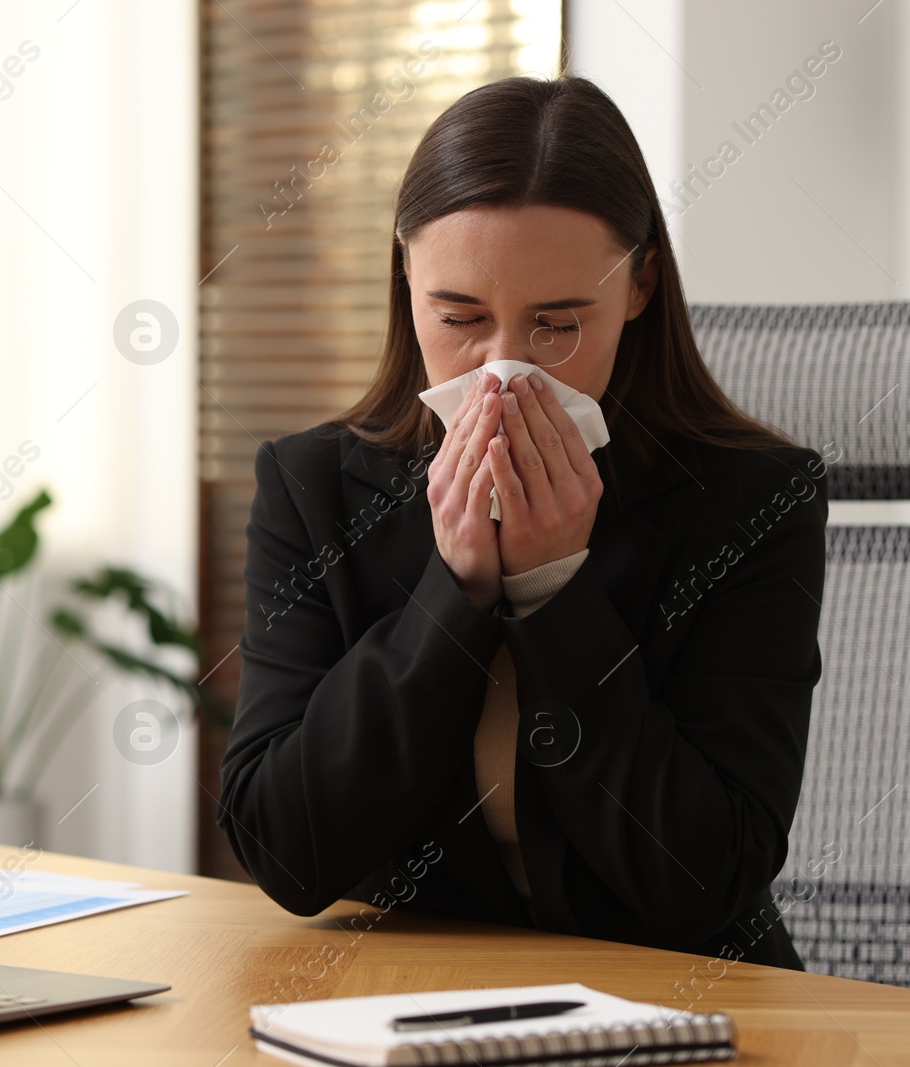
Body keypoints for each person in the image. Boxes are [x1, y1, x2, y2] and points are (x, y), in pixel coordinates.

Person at [216, 74, 828, 969]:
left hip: (685, 1008)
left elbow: (706, 877)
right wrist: (453, 593)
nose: (503, 371)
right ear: (406, 278)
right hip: (415, 1001)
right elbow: (285, 853)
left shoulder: (754, 498)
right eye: (460, 316)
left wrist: (553, 592)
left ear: (640, 284)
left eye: (556, 324)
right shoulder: (314, 488)